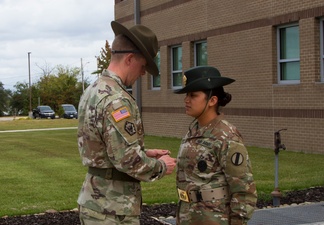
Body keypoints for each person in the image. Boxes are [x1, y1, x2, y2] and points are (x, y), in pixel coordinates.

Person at [77, 21, 177, 225]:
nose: (142, 74)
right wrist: (160, 166)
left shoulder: (93, 89)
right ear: (130, 58)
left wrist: (143, 152)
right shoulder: (116, 99)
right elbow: (126, 160)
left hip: (97, 203)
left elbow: (104, 147)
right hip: (113, 210)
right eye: (143, 67)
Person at [174, 66, 257, 225]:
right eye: (186, 95)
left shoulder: (227, 136)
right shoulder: (193, 131)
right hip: (188, 217)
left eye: (193, 95)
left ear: (212, 100)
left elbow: (244, 190)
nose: (186, 100)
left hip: (214, 219)